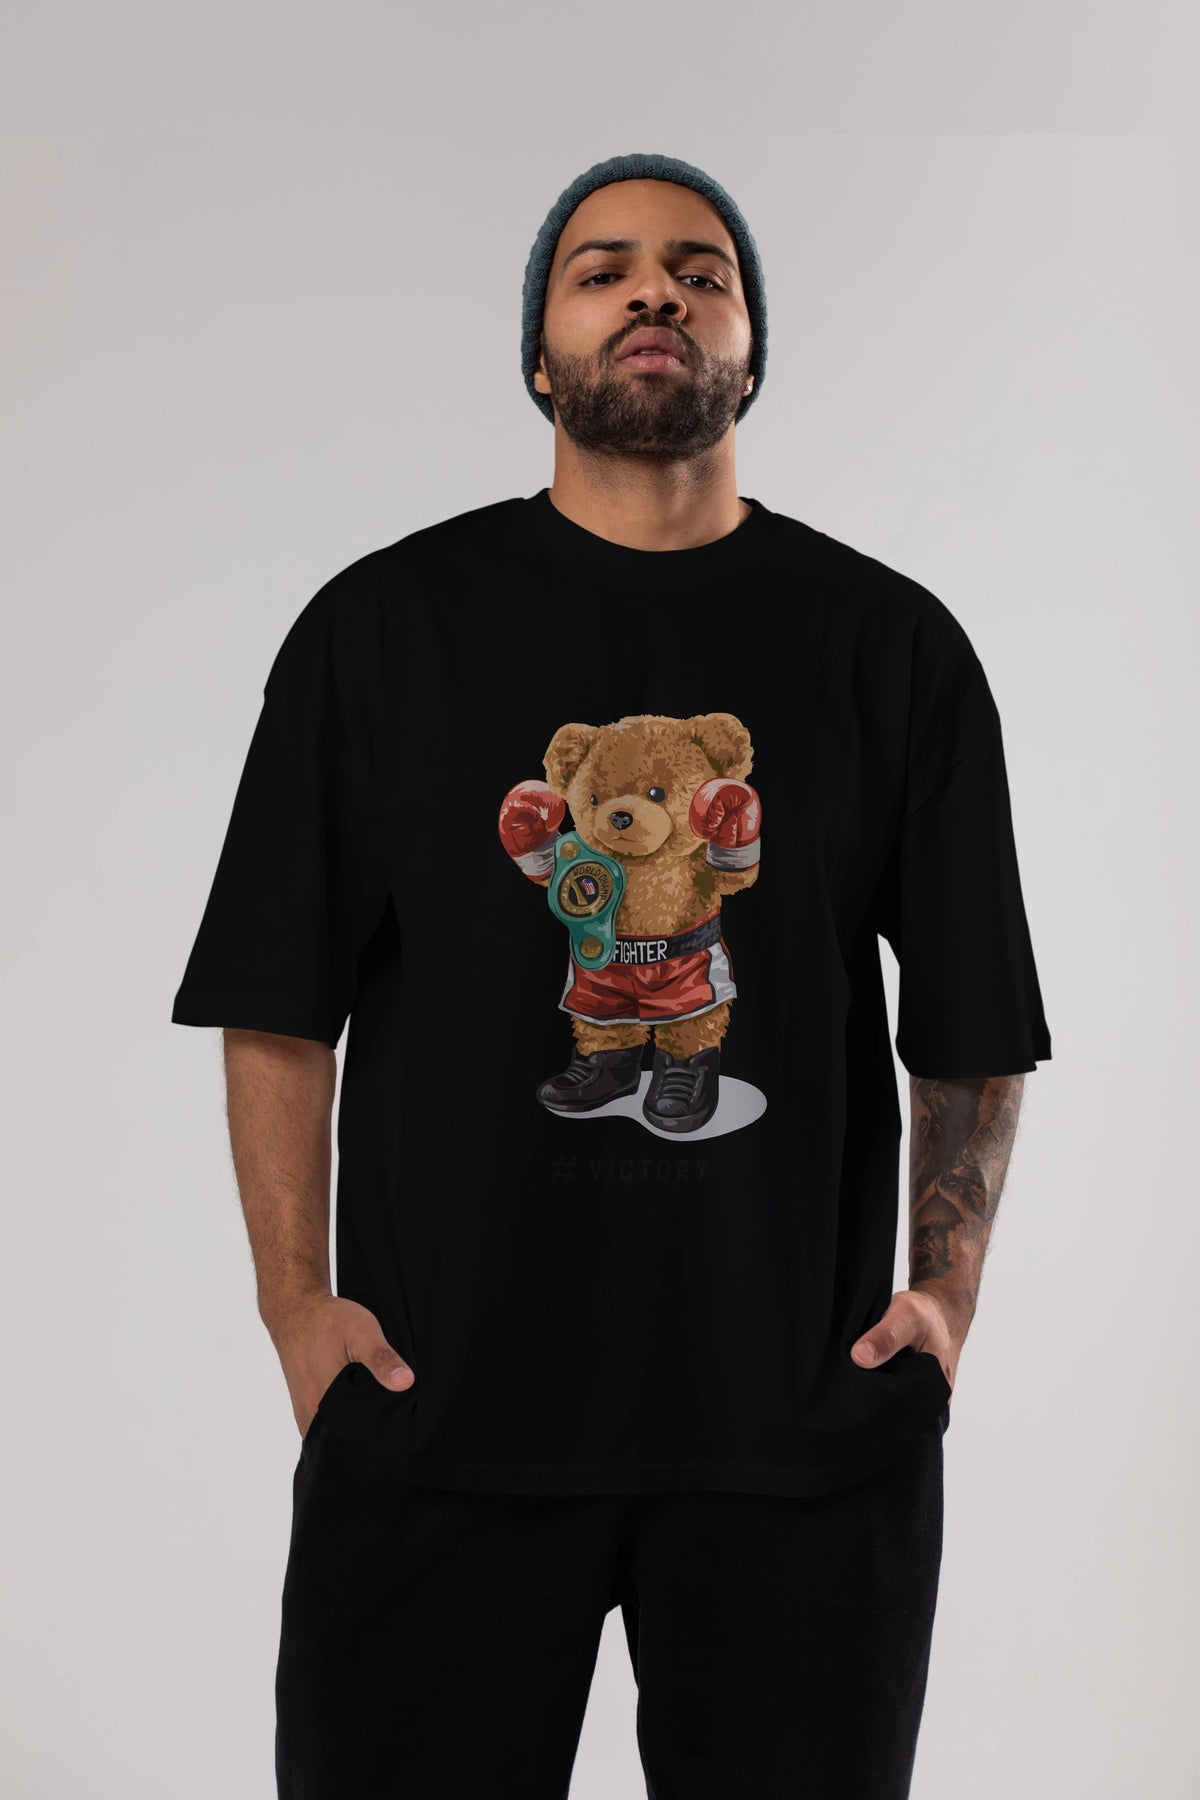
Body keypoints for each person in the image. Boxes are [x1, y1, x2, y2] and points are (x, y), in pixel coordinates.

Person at [171, 152, 1052, 1799]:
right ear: (539, 353)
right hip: (435, 1419)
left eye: (702, 270)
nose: (657, 290)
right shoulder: (384, 629)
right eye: (604, 269)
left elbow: (974, 1020)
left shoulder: (891, 644)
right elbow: (275, 997)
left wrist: (948, 1301)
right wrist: (296, 1312)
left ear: (751, 347)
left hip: (804, 1443)